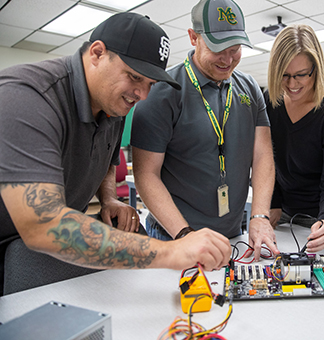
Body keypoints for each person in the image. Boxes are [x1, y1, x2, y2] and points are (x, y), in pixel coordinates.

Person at [0, 12, 232, 294]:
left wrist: (108, 197)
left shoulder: (113, 105)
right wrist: (172, 252)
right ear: (97, 53)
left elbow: (106, 161)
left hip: (46, 260)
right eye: (134, 76)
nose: (142, 95)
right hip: (21, 252)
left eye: (150, 84)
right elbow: (44, 226)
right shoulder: (27, 98)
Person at [131, 0, 278, 260]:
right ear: (193, 37)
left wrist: (259, 216)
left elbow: (263, 155)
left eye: (235, 49)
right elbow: (146, 174)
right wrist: (185, 236)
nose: (227, 59)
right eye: (218, 49)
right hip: (174, 236)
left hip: (233, 234)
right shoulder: (163, 93)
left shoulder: (250, 88)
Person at [265, 25, 324, 253]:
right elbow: (267, 160)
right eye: (284, 75)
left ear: (317, 68)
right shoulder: (270, 103)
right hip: (286, 209)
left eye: (301, 75)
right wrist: (274, 202)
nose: (292, 84)